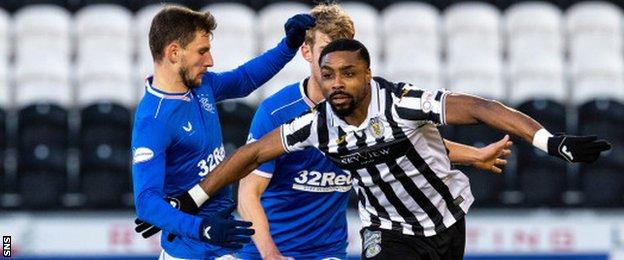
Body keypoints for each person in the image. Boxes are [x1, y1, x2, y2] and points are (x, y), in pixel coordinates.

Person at [178, 38, 611, 259]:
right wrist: (194, 198)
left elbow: (480, 108)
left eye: (348, 74)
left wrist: (550, 141)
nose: (336, 84)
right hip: (386, 231)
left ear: (368, 75)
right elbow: (249, 156)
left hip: (444, 222)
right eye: (328, 75)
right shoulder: (315, 125)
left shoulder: (404, 104)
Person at [235, 4, 512, 260]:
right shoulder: (277, 112)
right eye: (327, 51)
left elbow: (410, 144)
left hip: (327, 251)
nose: (337, 62)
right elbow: (248, 194)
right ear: (306, 52)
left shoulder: (369, 102)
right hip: (267, 251)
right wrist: (271, 256)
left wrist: (475, 156)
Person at [130, 6, 315, 259]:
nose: (210, 61)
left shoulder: (201, 85)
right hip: (190, 250)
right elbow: (146, 203)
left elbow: (244, 79)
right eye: (202, 51)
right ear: (174, 53)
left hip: (221, 241)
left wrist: (288, 47)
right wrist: (202, 228)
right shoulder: (153, 120)